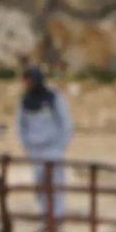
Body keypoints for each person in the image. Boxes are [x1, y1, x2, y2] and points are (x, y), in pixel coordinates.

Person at [15, 64, 74, 222]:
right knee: (40, 184)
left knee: (56, 183)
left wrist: (61, 145)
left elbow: (65, 122)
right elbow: (21, 125)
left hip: (53, 148)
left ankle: (58, 216)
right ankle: (45, 215)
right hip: (35, 150)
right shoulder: (26, 101)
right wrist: (26, 144)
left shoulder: (53, 98)